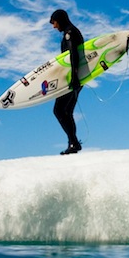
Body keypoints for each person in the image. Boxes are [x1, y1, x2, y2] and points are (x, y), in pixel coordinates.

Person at [50, 9, 85, 155]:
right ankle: (73, 143)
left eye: (54, 22)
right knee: (67, 111)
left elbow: (73, 55)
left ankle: (73, 142)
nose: (54, 26)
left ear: (60, 20)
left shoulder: (70, 33)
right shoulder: (73, 31)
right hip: (78, 77)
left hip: (73, 78)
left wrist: (74, 77)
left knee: (59, 110)